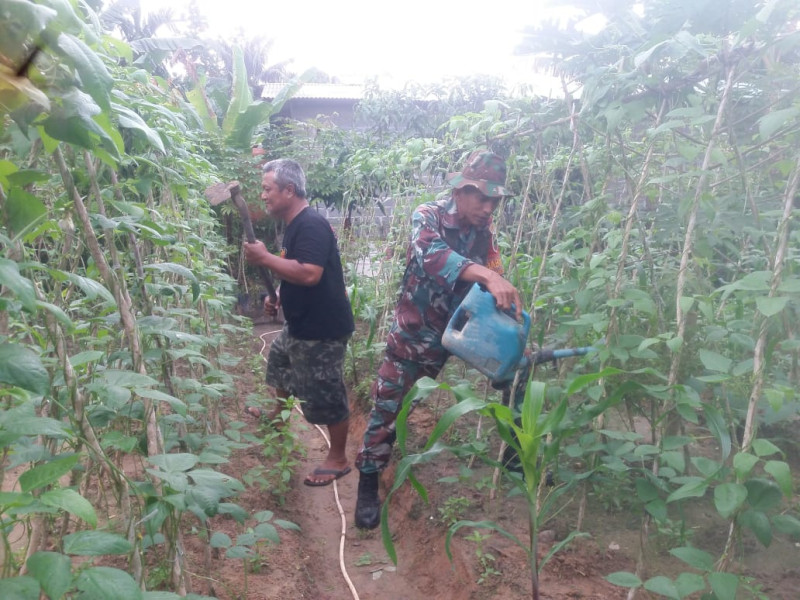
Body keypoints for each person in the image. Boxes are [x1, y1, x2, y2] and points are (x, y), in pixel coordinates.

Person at [354, 150, 525, 529]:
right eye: (481, 197)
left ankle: (516, 459)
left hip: (462, 333)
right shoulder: (426, 215)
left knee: (518, 371)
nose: (488, 207)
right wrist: (487, 276)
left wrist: (510, 315)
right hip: (414, 336)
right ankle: (368, 481)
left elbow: (494, 271)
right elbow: (432, 255)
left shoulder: (483, 234)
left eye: (494, 200)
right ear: (461, 190)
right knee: (388, 407)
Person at [244, 158, 355, 487]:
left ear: (289, 190)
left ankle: (338, 458)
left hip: (323, 330)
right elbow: (295, 267)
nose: (263, 196)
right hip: (299, 323)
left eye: (267, 189)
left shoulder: (311, 225)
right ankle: (279, 419)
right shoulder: (294, 225)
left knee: (326, 391)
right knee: (278, 363)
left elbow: (309, 273)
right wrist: (277, 292)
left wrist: (265, 258)